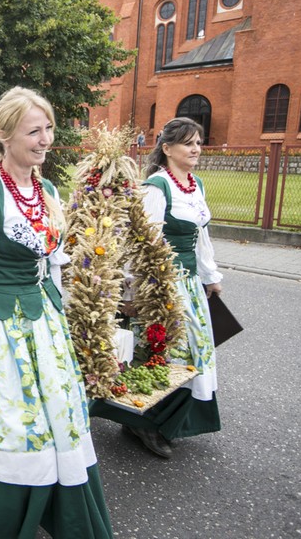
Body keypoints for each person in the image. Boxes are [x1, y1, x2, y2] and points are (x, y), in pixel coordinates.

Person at [0, 87, 112, 538]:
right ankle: (1, 509)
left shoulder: (47, 189)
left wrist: (64, 319)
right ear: (4, 135)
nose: (46, 138)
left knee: (56, 412)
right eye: (34, 130)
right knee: (6, 418)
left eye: (48, 127)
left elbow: (53, 264)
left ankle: (53, 501)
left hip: (43, 321)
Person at [90, 117, 222, 458]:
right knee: (165, 353)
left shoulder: (196, 185)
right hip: (160, 285)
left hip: (189, 284)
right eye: (188, 143)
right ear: (167, 148)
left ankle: (160, 420)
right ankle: (143, 422)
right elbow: (138, 244)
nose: (196, 149)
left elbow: (200, 238)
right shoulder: (156, 188)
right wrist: (130, 293)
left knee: (193, 353)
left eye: (199, 142)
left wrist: (210, 276)